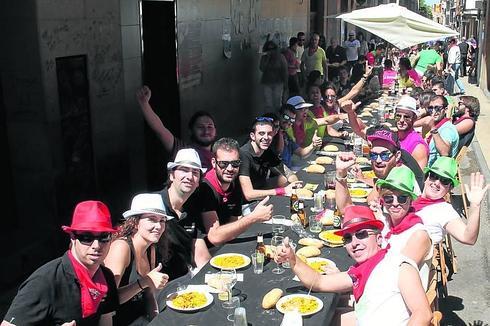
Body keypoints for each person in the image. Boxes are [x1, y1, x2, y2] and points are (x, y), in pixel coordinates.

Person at [276, 205, 432, 325]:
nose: (354, 243)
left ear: (379, 239)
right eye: (348, 238)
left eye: (362, 234)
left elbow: (423, 314)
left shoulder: (400, 266)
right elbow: (319, 282)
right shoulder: (361, 271)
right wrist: (292, 258)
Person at [2, 201, 119, 325]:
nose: (97, 245)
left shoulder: (105, 278)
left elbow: (105, 321)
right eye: (87, 237)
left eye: (104, 237)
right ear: (72, 237)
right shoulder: (44, 282)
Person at [188, 137, 273, 246]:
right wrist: (253, 217)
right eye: (224, 163)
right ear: (213, 163)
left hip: (226, 243)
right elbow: (214, 237)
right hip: (204, 248)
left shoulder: (235, 183)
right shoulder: (205, 188)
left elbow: (234, 222)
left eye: (235, 163)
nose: (230, 168)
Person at [104, 193, 171, 324]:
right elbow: (108, 300)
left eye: (162, 220)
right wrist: (144, 282)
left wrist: (156, 320)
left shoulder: (151, 247)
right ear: (135, 222)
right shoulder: (121, 248)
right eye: (152, 219)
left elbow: (149, 293)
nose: (158, 226)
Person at [158, 148, 212, 280]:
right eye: (184, 170)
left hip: (185, 278)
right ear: (172, 175)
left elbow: (200, 253)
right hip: (158, 285)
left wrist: (215, 278)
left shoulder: (191, 208)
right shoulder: (155, 206)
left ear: (199, 181)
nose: (189, 176)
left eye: (195, 172)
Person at [136, 86, 216, 170]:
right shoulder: (183, 150)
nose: (206, 130)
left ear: (215, 130)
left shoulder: (220, 156)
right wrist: (144, 103)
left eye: (210, 126)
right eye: (200, 127)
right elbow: (160, 130)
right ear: (191, 131)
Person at [413, 157, 489, 245]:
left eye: (444, 181)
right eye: (434, 176)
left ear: (450, 188)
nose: (437, 183)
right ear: (427, 177)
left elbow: (468, 238)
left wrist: (475, 205)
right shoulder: (412, 195)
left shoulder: (444, 210)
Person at [239, 117, 302, 202]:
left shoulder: (266, 150)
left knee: (283, 179)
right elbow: (248, 195)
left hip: (261, 196)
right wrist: (282, 191)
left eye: (269, 134)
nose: (266, 137)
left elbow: (287, 173)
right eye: (261, 133)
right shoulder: (244, 154)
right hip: (244, 205)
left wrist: (295, 186)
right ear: (252, 136)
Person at [425, 95, 459, 166]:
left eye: (437, 108)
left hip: (436, 172)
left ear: (445, 110)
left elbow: (444, 153)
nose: (433, 111)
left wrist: (433, 128)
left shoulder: (447, 129)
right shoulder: (439, 125)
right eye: (430, 108)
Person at [260, 40, 288, 112]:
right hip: (267, 82)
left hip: (278, 82)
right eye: (269, 49)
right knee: (268, 103)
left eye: (272, 49)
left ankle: (278, 118)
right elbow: (262, 68)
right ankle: (269, 118)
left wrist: (285, 84)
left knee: (277, 102)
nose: (271, 51)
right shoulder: (264, 57)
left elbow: (284, 70)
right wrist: (267, 58)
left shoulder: (281, 57)